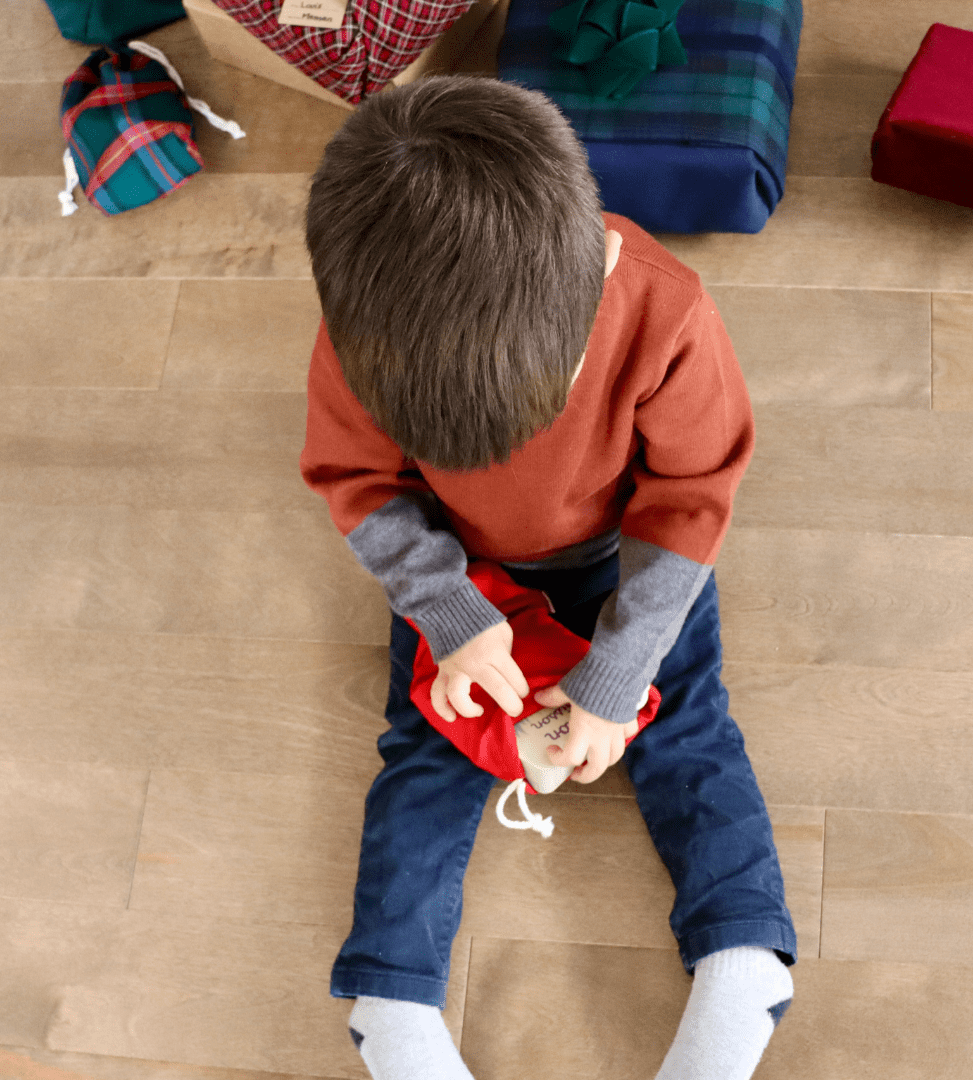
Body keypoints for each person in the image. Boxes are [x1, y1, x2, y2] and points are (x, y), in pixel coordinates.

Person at [300, 74, 796, 1080]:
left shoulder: (665, 310)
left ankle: (743, 960)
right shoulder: (364, 336)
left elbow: (692, 491)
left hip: (630, 558)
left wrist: (616, 677)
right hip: (461, 571)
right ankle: (391, 1005)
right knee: (425, 753)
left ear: (604, 260)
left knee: (687, 724)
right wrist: (447, 608)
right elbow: (358, 478)